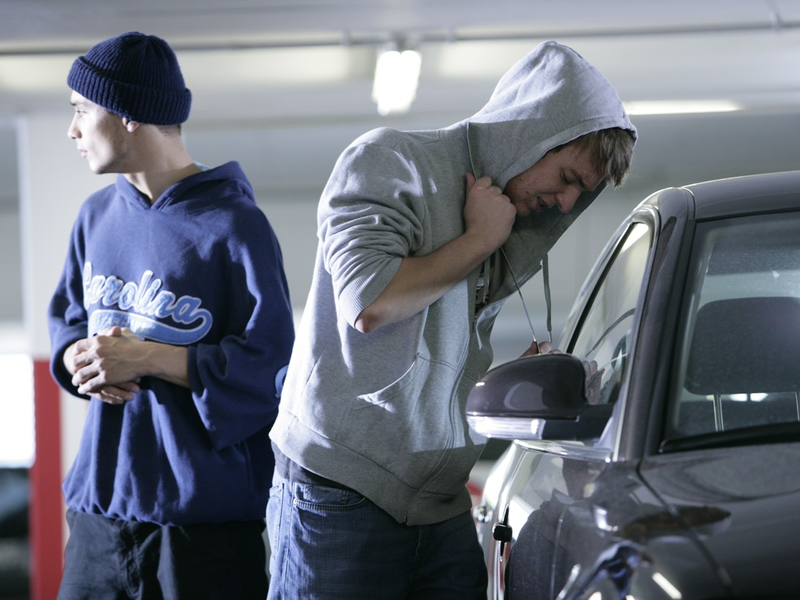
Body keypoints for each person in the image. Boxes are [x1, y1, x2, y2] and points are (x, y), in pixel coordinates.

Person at [267, 40, 637, 599]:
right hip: (343, 492)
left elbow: (440, 348)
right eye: (565, 177)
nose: (565, 202)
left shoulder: (512, 217)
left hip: (440, 503)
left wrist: (514, 375)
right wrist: (479, 239)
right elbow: (370, 304)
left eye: (579, 193)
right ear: (526, 133)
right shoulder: (391, 161)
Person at [47, 32, 295, 599]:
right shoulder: (95, 217)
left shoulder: (234, 225)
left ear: (130, 114)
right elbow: (65, 318)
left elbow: (272, 367)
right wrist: (79, 356)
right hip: (98, 516)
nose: (74, 130)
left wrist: (149, 356)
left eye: (83, 110)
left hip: (202, 528)